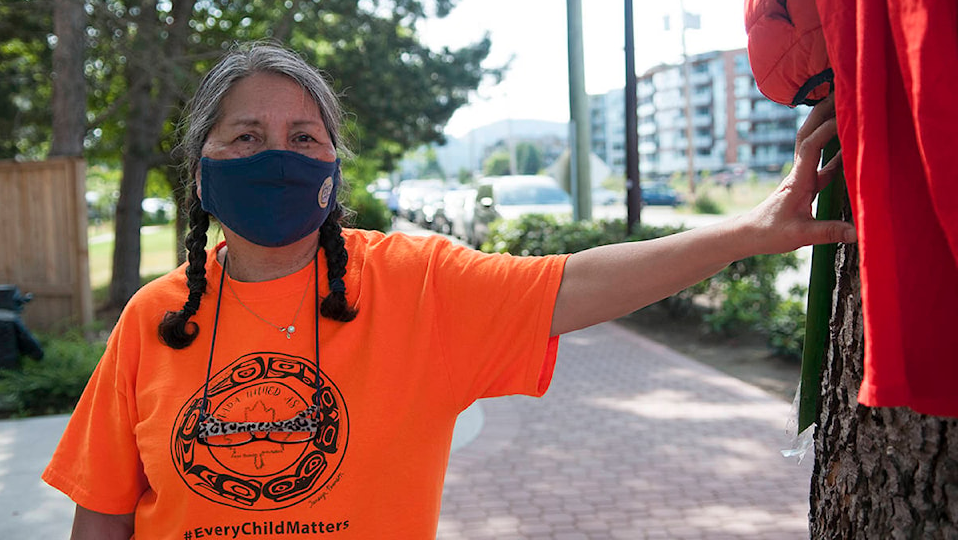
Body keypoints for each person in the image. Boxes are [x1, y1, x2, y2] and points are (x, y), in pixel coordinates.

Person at [43, 42, 856, 539]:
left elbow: (573, 284)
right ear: (202, 168)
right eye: (246, 138)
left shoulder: (414, 286)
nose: (276, 156)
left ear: (332, 168)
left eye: (302, 137)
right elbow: (106, 511)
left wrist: (751, 232)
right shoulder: (158, 318)